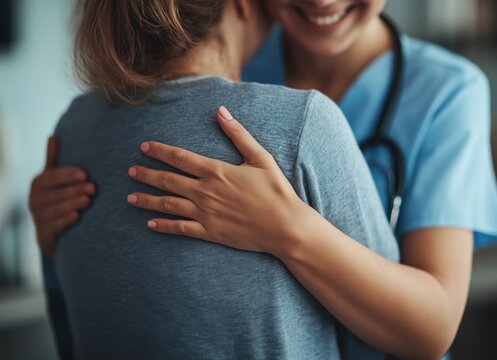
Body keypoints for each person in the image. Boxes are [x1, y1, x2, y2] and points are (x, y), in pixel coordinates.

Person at [30, 0, 497, 358]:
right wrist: (63, 238)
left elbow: (431, 328)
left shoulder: (447, 92)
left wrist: (289, 231)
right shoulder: (225, 58)